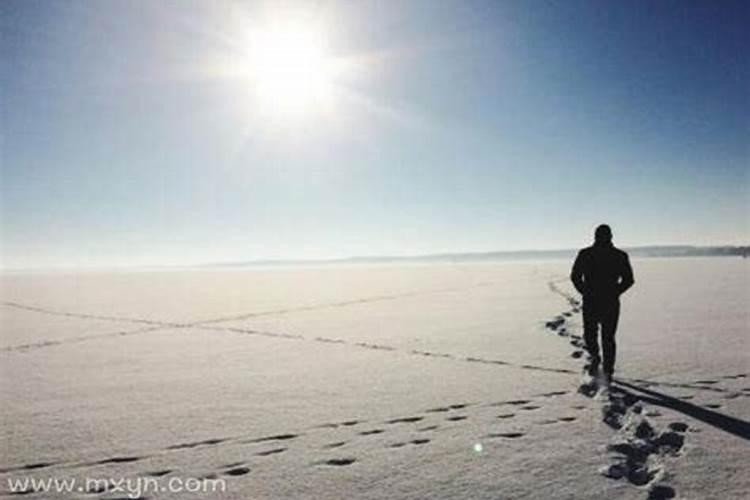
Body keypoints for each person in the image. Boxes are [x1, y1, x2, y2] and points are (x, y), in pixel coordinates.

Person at [570, 224, 634, 383]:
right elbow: (575, 276)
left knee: (598, 335)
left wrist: (586, 291)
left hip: (599, 301)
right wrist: (614, 292)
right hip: (604, 301)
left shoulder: (613, 255)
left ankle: (603, 365)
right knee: (603, 336)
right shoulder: (592, 254)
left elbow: (629, 280)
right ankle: (603, 365)